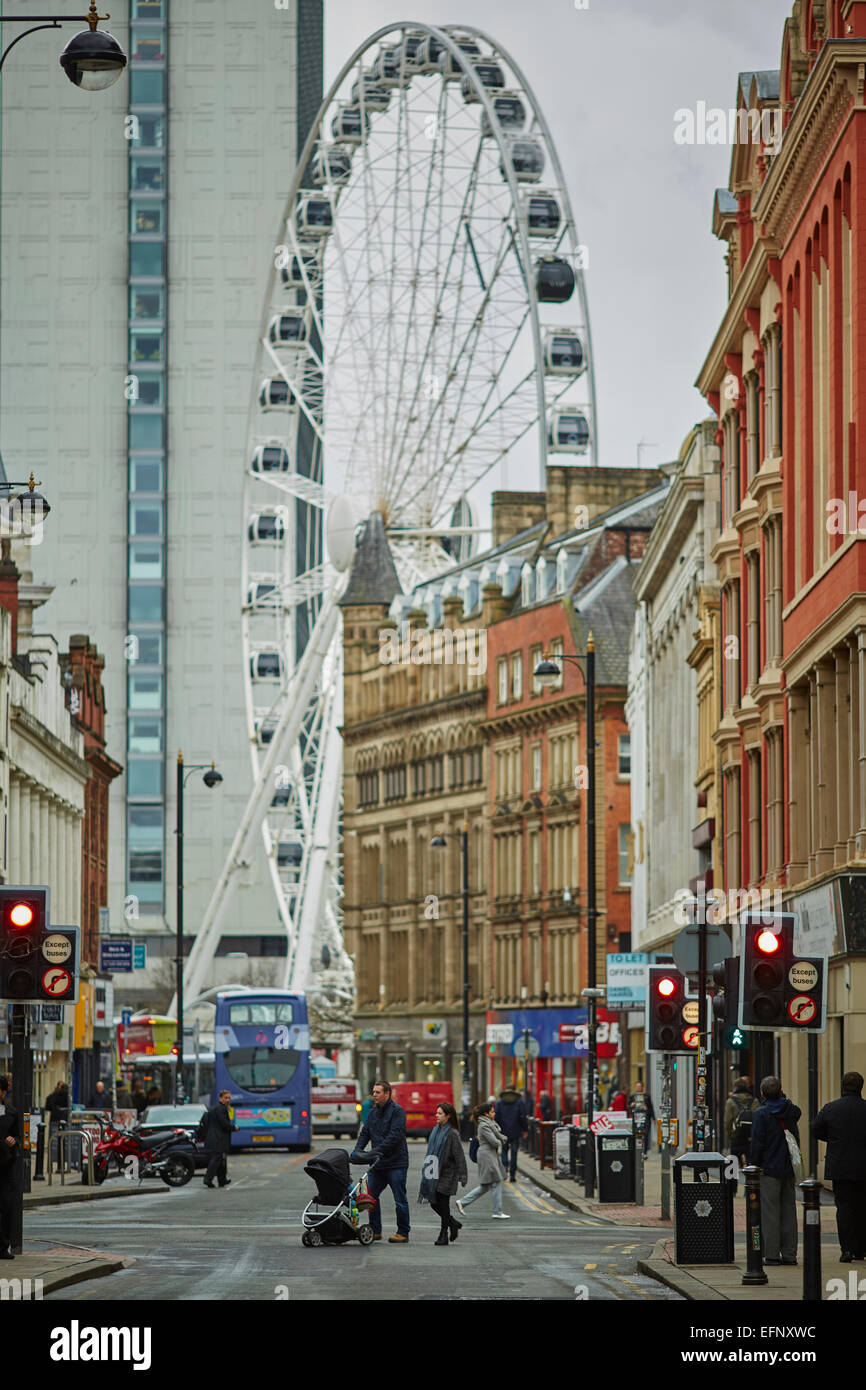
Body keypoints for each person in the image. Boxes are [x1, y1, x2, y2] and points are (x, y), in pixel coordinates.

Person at [811, 1070, 866, 1262]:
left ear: (843, 1086)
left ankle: (847, 1249)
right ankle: (861, 1248)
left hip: (840, 1165)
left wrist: (833, 1140)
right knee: (862, 1207)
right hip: (863, 1166)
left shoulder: (831, 1108)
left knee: (844, 1207)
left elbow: (816, 1130)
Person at [749, 1075, 801, 1266]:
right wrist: (783, 1097)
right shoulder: (790, 1111)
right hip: (789, 1167)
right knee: (789, 1211)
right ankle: (789, 1254)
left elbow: (757, 1144)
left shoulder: (761, 1114)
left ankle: (771, 1254)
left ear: (762, 1093)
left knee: (770, 1212)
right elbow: (797, 1112)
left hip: (768, 1169)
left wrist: (753, 1165)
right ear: (780, 1091)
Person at [353, 1079, 410, 1243]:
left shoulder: (397, 1111)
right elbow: (365, 1133)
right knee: (371, 1198)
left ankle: (403, 1232)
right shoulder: (373, 1112)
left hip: (396, 1163)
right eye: (374, 1092)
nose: (374, 1095)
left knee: (400, 1199)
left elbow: (395, 1136)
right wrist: (358, 1150)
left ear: (387, 1093)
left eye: (378, 1092)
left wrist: (375, 1152)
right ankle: (375, 1230)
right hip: (378, 1164)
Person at [418, 1101, 467, 1245]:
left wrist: (462, 1175)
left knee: (443, 1204)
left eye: (440, 1113)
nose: (436, 1116)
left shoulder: (452, 1134)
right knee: (433, 1202)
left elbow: (459, 1155)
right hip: (433, 1172)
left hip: (447, 1174)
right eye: (436, 1113)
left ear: (448, 1116)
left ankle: (443, 1234)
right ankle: (452, 1223)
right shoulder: (435, 1130)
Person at [458, 1102, 510, 1220]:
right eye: (492, 1111)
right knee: (496, 1181)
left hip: (489, 1155)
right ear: (486, 1114)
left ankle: (463, 1202)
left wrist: (501, 1138)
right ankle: (497, 1211)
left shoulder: (489, 1123)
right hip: (486, 1155)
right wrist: (501, 1140)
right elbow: (493, 1141)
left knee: (486, 1185)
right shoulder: (484, 1125)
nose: (494, 1113)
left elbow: (497, 1135)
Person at [0, 1075, 21, 1260]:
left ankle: (2, 1246)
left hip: (5, 1166)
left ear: (3, 1092)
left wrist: (14, 1141)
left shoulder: (11, 1113)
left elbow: (18, 1137)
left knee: (7, 1207)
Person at [202, 1089, 238, 1188]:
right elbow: (224, 1124)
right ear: (220, 1098)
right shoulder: (221, 1109)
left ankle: (222, 1180)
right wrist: (234, 1128)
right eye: (226, 1098)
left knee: (221, 1159)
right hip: (218, 1139)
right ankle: (208, 1178)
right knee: (217, 1158)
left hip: (216, 1137)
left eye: (229, 1098)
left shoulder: (218, 1108)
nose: (228, 1100)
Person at [724, 1077, 759, 1179]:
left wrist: (731, 1135)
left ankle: (733, 1189)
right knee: (750, 1164)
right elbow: (758, 1119)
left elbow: (727, 1121)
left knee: (733, 1163)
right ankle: (750, 1189)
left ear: (735, 1087)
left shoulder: (730, 1102)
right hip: (750, 1137)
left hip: (736, 1137)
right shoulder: (754, 1101)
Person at [495, 1086, 527, 1182]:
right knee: (514, 1153)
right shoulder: (519, 1101)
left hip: (503, 1131)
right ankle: (512, 1174)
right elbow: (522, 1116)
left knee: (504, 1151)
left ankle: (504, 1170)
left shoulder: (500, 1102)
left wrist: (497, 1130)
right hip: (516, 1131)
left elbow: (497, 1116)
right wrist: (525, 1129)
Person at [628, 1081, 656, 1154]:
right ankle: (636, 1151)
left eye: (639, 1086)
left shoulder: (646, 1096)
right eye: (637, 1086)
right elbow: (628, 1106)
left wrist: (653, 1117)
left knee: (646, 1135)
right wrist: (632, 1105)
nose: (638, 1088)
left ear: (642, 1087)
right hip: (636, 1118)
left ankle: (645, 1151)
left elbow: (651, 1107)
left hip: (645, 1118)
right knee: (636, 1135)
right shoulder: (632, 1096)